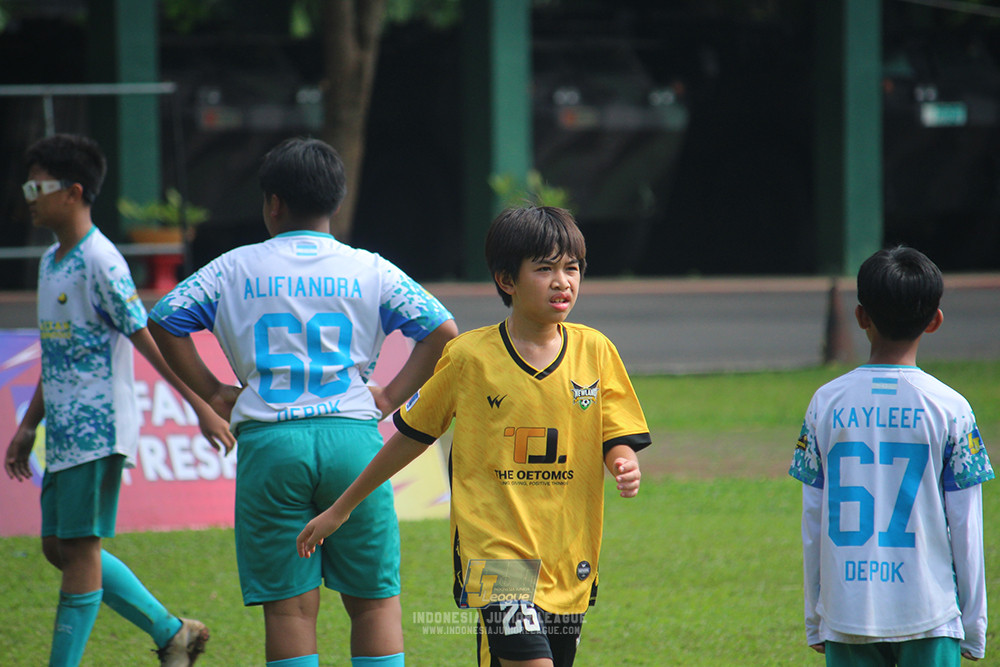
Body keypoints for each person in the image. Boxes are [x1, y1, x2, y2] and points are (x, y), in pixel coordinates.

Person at [147, 136, 457, 667]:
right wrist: (388, 397)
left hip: (271, 443)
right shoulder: (371, 268)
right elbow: (443, 331)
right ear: (336, 202)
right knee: (374, 603)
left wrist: (216, 392)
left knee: (289, 613)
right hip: (354, 442)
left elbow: (164, 318)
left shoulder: (231, 268)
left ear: (273, 203)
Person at [298, 205, 650, 667]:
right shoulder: (469, 357)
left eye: (572, 268)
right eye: (544, 269)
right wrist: (341, 508)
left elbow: (615, 431)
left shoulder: (596, 350)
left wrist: (622, 460)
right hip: (493, 551)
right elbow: (412, 437)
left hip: (568, 552)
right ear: (507, 280)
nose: (562, 281)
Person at [4, 133, 236, 667]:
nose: (30, 196)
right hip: (61, 432)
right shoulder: (51, 262)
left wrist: (200, 405)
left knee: (79, 550)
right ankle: (172, 632)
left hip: (98, 430)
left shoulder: (102, 262)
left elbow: (146, 339)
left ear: (74, 191)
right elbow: (56, 352)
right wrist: (27, 425)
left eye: (38, 185)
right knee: (56, 549)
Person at [789, 246, 994, 666]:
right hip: (929, 612)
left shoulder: (825, 402)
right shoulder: (951, 407)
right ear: (935, 320)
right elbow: (967, 525)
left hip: (848, 610)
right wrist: (973, 625)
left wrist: (816, 618)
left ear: (861, 316)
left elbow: (813, 516)